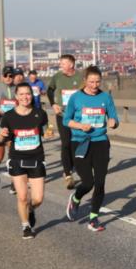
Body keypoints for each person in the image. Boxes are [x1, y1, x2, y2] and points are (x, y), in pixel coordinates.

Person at [63, 66, 119, 232]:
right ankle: (76, 197)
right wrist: (80, 126)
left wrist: (113, 122)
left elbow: (114, 117)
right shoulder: (76, 98)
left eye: (97, 81)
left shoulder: (105, 97)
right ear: (85, 81)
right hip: (80, 142)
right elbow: (67, 120)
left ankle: (93, 218)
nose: (95, 85)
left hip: (100, 142)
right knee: (88, 182)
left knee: (100, 183)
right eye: (91, 82)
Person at [0, 82, 49, 239]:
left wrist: (48, 134)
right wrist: (1, 134)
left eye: (28, 94)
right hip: (17, 159)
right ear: (16, 97)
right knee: (22, 196)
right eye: (22, 94)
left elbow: (45, 132)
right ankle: (25, 226)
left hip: (37, 158)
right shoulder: (9, 116)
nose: (25, 97)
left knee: (38, 198)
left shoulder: (40, 114)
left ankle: (31, 209)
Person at [47, 54, 84, 189]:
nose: (60, 65)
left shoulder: (81, 77)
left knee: (76, 143)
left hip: (78, 116)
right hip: (62, 114)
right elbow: (50, 91)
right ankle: (68, 173)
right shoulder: (57, 77)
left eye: (63, 63)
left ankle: (72, 166)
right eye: (60, 63)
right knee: (66, 143)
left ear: (71, 64)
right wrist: (53, 104)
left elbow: (88, 92)